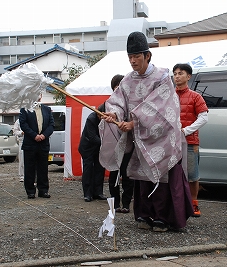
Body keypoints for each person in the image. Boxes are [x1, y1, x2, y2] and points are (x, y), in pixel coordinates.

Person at [99, 31, 193, 232]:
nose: (133, 61)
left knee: (161, 177)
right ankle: (144, 214)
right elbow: (117, 102)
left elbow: (162, 109)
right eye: (130, 57)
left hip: (162, 138)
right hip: (141, 138)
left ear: (147, 56)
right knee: (141, 177)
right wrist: (114, 115)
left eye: (137, 57)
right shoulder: (127, 80)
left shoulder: (162, 77)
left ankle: (162, 217)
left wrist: (133, 124)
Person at [173, 63, 209, 217]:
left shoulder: (195, 96)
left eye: (180, 73)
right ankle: (177, 203)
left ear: (188, 76)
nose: (177, 76)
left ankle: (194, 204)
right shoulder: (169, 96)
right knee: (174, 174)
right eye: (175, 74)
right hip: (172, 142)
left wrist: (186, 131)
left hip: (190, 142)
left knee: (192, 175)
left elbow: (204, 117)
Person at [107, 74, 134, 213]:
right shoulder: (108, 104)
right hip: (115, 146)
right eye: (116, 88)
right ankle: (115, 203)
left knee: (127, 175)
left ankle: (126, 203)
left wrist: (130, 124)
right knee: (113, 176)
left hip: (129, 146)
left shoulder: (132, 103)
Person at [19, 94, 54, 199]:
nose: (37, 96)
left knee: (43, 168)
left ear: (41, 96)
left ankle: (43, 190)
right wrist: (34, 136)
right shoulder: (24, 109)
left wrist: (44, 135)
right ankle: (30, 191)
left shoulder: (47, 109)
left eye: (39, 93)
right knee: (29, 168)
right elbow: (23, 124)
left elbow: (51, 125)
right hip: (30, 143)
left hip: (43, 143)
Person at [78, 104, 107, 202]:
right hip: (88, 147)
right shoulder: (91, 119)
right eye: (101, 116)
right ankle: (87, 193)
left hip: (99, 148)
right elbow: (92, 137)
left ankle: (98, 192)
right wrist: (106, 142)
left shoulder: (107, 119)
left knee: (100, 169)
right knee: (88, 169)